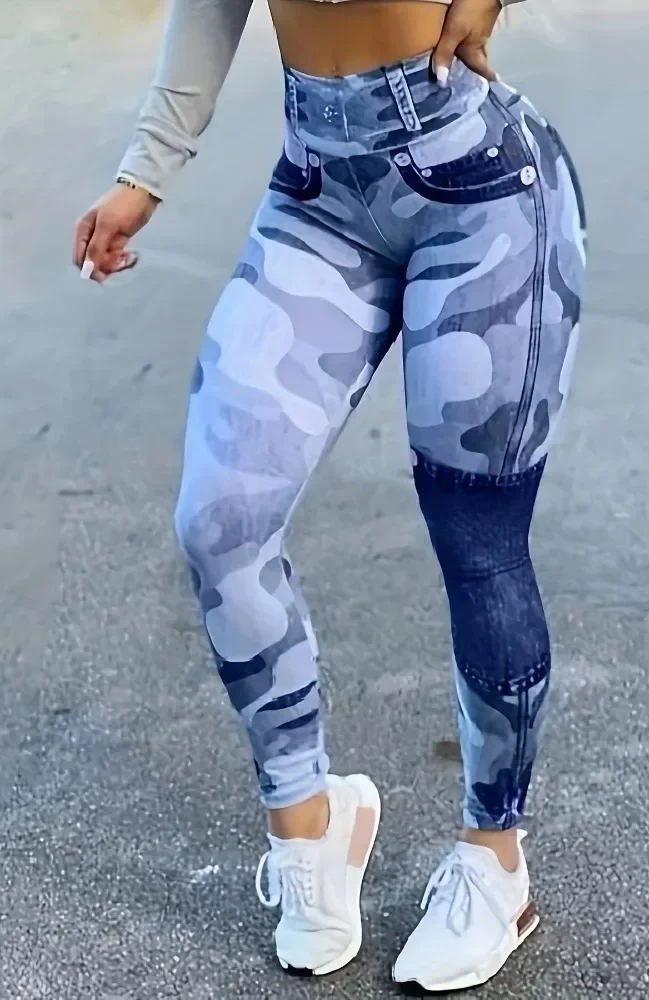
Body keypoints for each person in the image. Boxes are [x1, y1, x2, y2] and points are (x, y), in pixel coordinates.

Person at [73, 0, 586, 989]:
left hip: (481, 184)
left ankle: (495, 862)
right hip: (319, 193)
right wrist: (145, 171)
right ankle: (311, 822)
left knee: (477, 539)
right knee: (219, 520)